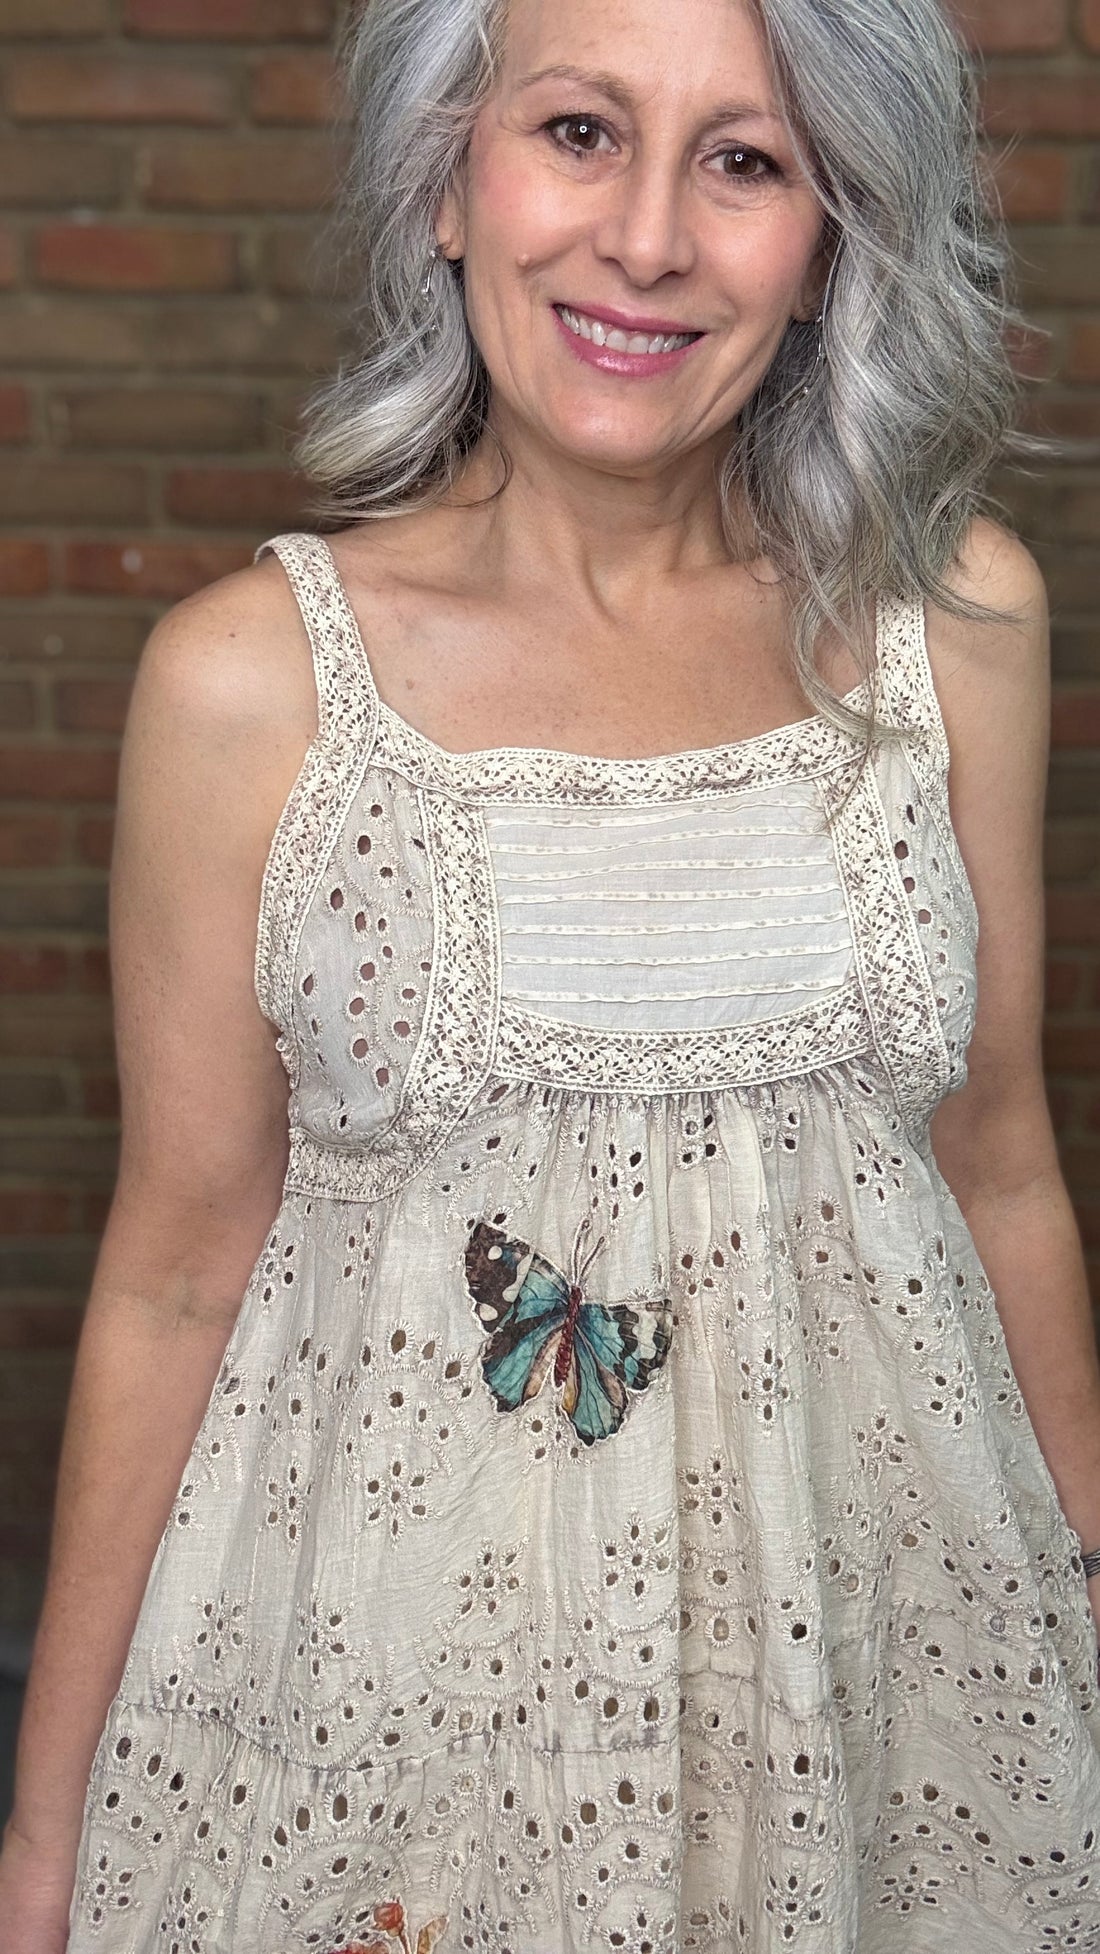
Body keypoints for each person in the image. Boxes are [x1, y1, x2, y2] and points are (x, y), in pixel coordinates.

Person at [4, 0, 1100, 1945]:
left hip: (872, 1689)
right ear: (447, 178)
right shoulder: (247, 692)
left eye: (744, 160)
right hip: (394, 1733)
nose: (651, 238)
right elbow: (175, 1272)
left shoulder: (962, 628)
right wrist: (43, 1839)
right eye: (581, 132)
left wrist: (1084, 1606)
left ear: (832, 224)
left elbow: (1000, 1159)